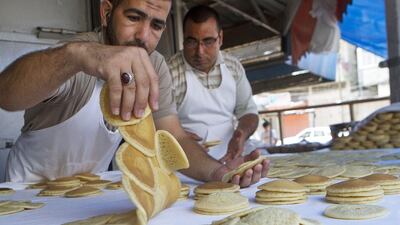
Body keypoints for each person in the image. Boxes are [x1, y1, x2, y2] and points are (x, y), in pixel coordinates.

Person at [0, 0, 268, 187]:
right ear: (106, 12)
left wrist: (218, 171)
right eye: (133, 17)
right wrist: (76, 56)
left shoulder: (155, 66)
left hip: (88, 194)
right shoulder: (75, 58)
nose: (143, 36)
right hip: (30, 193)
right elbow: (7, 95)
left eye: (156, 25)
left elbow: (173, 137)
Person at [168, 5, 259, 162]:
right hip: (184, 164)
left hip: (230, 159)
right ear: (184, 38)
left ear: (220, 38)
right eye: (191, 42)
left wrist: (241, 134)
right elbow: (154, 122)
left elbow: (248, 112)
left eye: (208, 41)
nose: (199, 52)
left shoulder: (233, 67)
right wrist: (175, 136)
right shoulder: (169, 71)